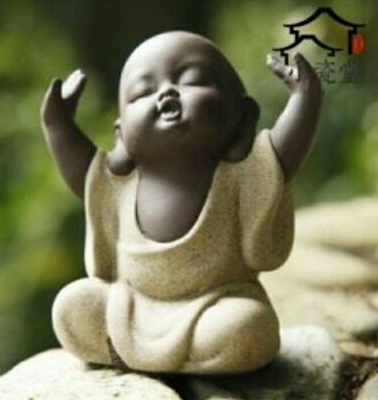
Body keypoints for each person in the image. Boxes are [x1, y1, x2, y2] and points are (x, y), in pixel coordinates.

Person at [41, 31, 322, 373]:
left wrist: (306, 97)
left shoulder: (238, 177)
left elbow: (282, 156)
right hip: (133, 306)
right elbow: (85, 176)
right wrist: (57, 125)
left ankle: (152, 355)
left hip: (214, 306)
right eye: (142, 92)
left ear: (243, 118)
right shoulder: (119, 187)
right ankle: (151, 354)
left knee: (249, 326)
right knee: (72, 305)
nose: (166, 93)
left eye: (192, 80)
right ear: (122, 136)